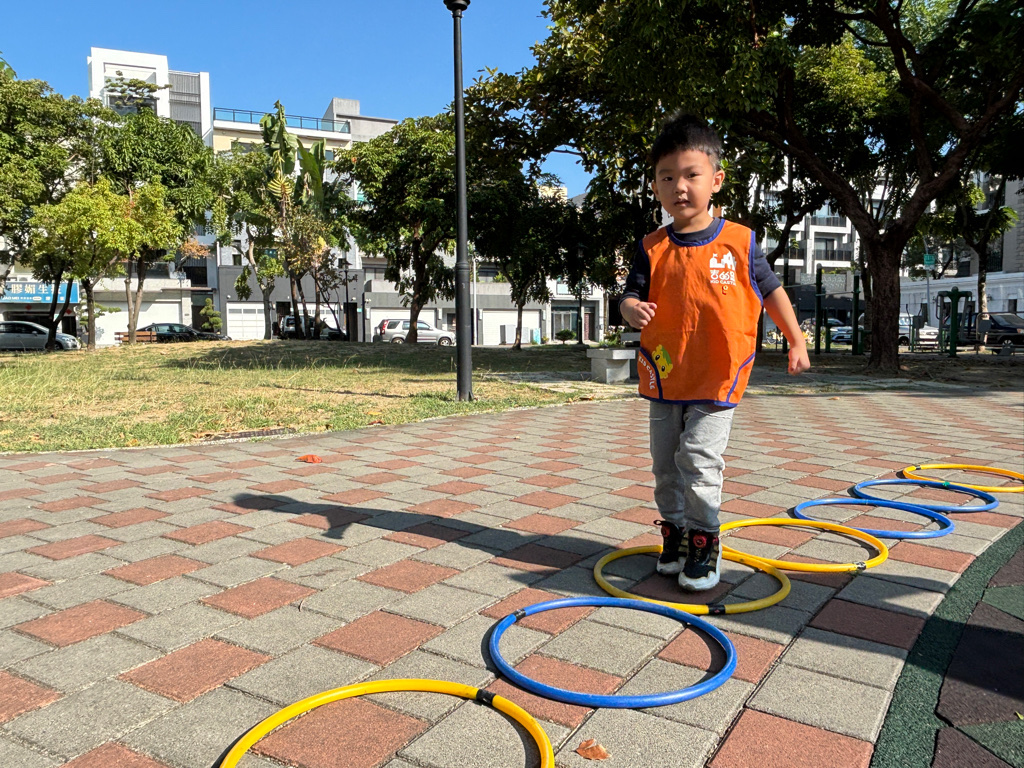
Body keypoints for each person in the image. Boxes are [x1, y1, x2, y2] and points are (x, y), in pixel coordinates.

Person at [619, 113, 810, 592]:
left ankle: (705, 540)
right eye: (667, 178)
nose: (679, 187)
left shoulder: (740, 242)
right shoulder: (650, 247)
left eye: (691, 175)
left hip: (717, 374)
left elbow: (771, 292)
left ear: (716, 179)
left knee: (699, 461)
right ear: (655, 187)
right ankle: (675, 532)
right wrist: (629, 308)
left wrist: (796, 338)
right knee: (666, 465)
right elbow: (629, 293)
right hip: (665, 376)